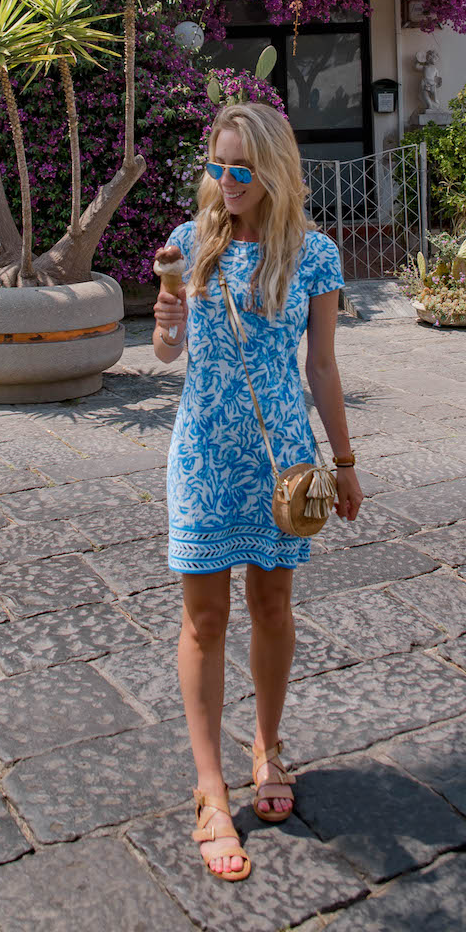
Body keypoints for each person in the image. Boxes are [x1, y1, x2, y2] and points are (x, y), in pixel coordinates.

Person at [152, 101, 362, 883]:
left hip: (280, 464)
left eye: (242, 166)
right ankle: (209, 787)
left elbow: (323, 368)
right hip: (205, 457)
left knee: (273, 604)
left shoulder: (313, 255)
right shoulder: (188, 244)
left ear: (272, 168)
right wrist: (167, 322)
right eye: (218, 165)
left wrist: (343, 461)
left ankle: (267, 744)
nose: (228, 180)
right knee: (204, 618)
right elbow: (167, 351)